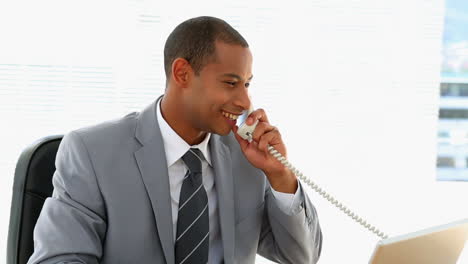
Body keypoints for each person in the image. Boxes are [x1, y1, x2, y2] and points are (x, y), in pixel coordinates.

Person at [28, 16, 322, 264]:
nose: (245, 100)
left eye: (247, 84)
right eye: (231, 83)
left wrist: (279, 175)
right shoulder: (91, 153)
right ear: (182, 73)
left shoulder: (248, 159)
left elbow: (301, 256)